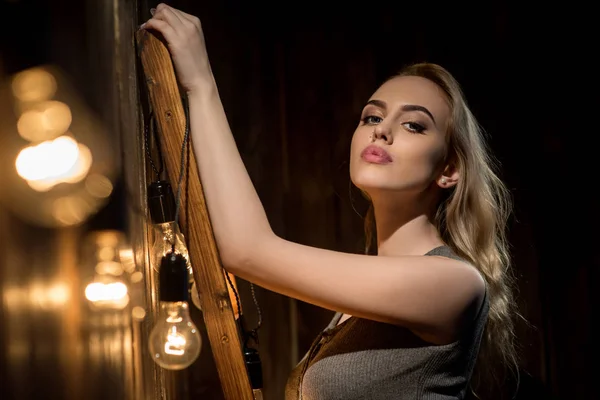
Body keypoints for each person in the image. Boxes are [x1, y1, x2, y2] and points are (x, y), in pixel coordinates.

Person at [141, 4, 520, 399]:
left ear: (449, 170)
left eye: (414, 125)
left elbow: (248, 251)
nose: (382, 132)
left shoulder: (455, 284)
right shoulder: (355, 303)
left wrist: (202, 84)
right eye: (372, 118)